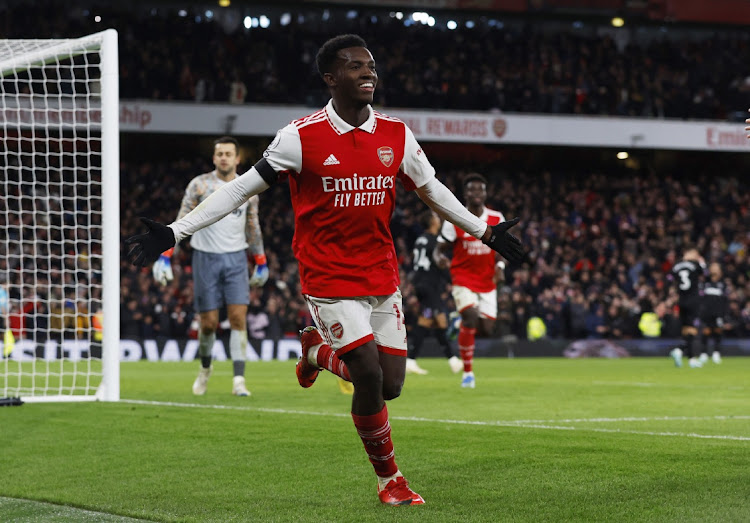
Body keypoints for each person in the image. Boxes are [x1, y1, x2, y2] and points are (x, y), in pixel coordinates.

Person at [125, 34, 524, 506]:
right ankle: (390, 480)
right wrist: (176, 232)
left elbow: (432, 189)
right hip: (327, 275)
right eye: (355, 66)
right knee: (369, 374)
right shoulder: (300, 136)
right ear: (331, 78)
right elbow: (239, 191)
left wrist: (486, 232)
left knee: (390, 384)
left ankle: (315, 351)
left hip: (380, 274)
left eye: (371, 65)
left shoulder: (396, 134)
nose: (368, 72)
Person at [151, 136, 269, 397]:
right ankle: (205, 369)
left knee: (239, 318)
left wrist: (260, 260)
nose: (224, 157)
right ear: (214, 158)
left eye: (229, 153)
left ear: (237, 158)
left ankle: (239, 380)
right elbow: (182, 220)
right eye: (220, 154)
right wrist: (166, 255)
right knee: (208, 324)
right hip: (205, 258)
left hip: (237, 258)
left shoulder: (248, 186)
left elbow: (253, 227)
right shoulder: (199, 185)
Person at [435, 173, 510, 389]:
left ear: (485, 193)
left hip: (487, 280)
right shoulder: (455, 218)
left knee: (486, 329)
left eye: (480, 189)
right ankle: (468, 374)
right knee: (471, 316)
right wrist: (440, 258)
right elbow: (439, 249)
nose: (476, 193)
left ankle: (457, 322)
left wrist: (500, 266)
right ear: (465, 193)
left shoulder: (496, 218)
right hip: (463, 277)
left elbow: (503, 248)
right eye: (472, 189)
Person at [405, 211, 462, 375]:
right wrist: (453, 281)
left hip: (420, 283)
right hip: (429, 285)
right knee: (428, 320)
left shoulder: (420, 240)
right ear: (431, 222)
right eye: (436, 218)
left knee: (437, 321)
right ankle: (411, 359)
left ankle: (452, 360)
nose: (439, 220)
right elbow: (439, 265)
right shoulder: (434, 241)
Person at [668, 247, 706, 368]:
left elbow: (669, 279)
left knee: (685, 329)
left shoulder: (676, 265)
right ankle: (679, 350)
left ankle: (691, 359)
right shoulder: (695, 264)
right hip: (693, 300)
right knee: (693, 330)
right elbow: (705, 273)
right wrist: (701, 261)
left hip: (682, 300)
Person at [699, 262, 727, 364]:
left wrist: (724, 315)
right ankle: (704, 353)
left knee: (718, 332)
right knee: (705, 332)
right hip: (706, 313)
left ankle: (716, 353)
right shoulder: (705, 283)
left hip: (718, 313)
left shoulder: (723, 284)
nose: (714, 269)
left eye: (716, 267)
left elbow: (725, 301)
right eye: (713, 267)